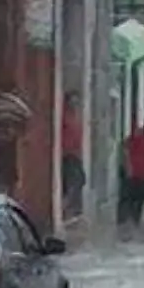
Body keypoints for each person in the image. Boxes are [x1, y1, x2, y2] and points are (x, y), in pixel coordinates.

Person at [61, 90, 86, 218]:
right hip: (66, 154)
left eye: (77, 100)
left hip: (75, 154)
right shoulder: (63, 114)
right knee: (71, 182)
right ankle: (65, 209)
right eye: (73, 100)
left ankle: (71, 209)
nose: (75, 103)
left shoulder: (75, 115)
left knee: (80, 180)